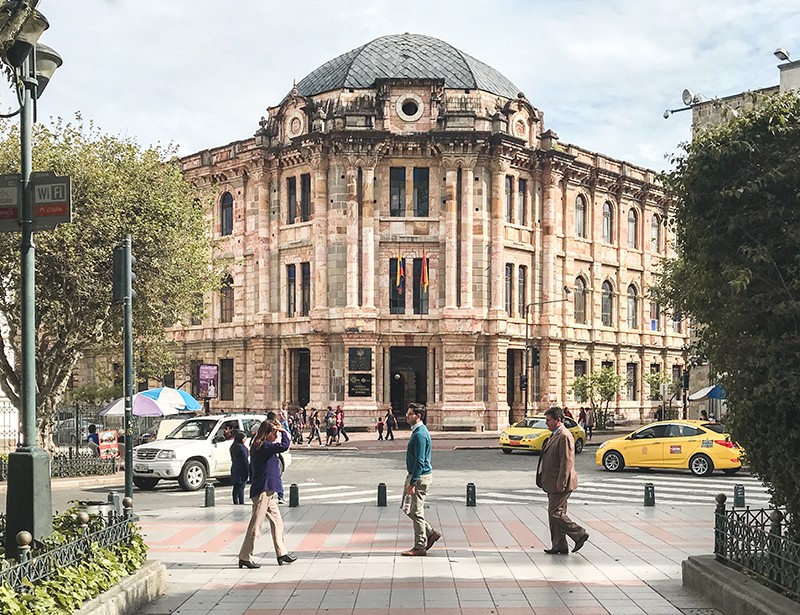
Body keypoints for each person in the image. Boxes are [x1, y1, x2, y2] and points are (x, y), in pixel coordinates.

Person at [237, 419, 297, 569]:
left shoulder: (262, 445)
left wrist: (280, 431)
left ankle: (281, 553)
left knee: (277, 522)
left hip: (269, 489)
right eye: (274, 432)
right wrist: (284, 432)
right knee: (256, 525)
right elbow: (284, 446)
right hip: (262, 490)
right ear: (267, 433)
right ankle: (245, 556)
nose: (276, 435)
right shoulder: (263, 446)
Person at [536, 407, 589, 555]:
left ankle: (579, 533)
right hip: (552, 482)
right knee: (556, 513)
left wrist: (562, 482)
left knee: (555, 513)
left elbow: (567, 461)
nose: (546, 423)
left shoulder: (564, 436)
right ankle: (559, 545)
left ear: (558, 420)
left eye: (548, 420)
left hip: (560, 483)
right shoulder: (555, 434)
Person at [401, 404, 441, 556]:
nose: (406, 415)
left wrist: (413, 482)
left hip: (419, 477)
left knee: (416, 511)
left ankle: (419, 546)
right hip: (415, 475)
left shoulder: (420, 434)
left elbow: (420, 461)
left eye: (410, 413)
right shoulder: (418, 431)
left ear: (418, 416)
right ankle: (430, 533)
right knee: (407, 508)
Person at [230, 430, 249, 505]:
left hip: (235, 467)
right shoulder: (242, 448)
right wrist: (248, 469)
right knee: (241, 486)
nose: (245, 439)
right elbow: (245, 459)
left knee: (236, 486)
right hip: (242, 468)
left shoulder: (233, 446)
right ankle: (241, 501)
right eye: (244, 438)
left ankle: (235, 500)